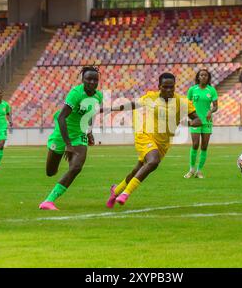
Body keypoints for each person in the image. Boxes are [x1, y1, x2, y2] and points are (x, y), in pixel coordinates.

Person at [105, 72, 202, 207]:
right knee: (153, 161)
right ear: (159, 87)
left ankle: (116, 191)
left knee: (137, 170)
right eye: (165, 87)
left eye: (171, 87)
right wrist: (111, 108)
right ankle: (125, 194)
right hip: (145, 135)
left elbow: (198, 120)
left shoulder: (182, 102)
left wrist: (190, 123)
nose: (168, 90)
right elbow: (133, 104)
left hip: (163, 143)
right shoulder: (151, 97)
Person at [39, 66, 103, 210]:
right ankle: (59, 153)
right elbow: (61, 118)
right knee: (50, 172)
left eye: (95, 79)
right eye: (89, 79)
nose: (92, 82)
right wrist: (68, 144)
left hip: (79, 135)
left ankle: (49, 201)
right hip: (62, 135)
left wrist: (89, 131)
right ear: (82, 80)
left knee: (76, 167)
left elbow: (90, 114)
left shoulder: (98, 96)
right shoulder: (75, 94)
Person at [184, 69, 218, 179]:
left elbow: (215, 106)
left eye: (205, 75)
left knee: (204, 146)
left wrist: (210, 111)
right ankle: (191, 170)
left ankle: (199, 171)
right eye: (201, 75)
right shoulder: (192, 90)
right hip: (196, 121)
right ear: (198, 77)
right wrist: (191, 118)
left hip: (207, 121)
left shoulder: (211, 90)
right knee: (195, 144)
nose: (203, 77)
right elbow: (187, 105)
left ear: (208, 78)